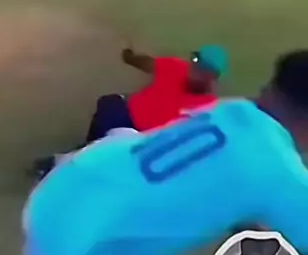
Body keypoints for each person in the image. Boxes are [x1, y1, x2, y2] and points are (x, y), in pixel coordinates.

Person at [23, 50, 308, 255]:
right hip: (82, 237)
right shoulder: (278, 171)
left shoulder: (231, 110)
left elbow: (227, 184)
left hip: (69, 185)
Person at [33, 43, 228, 180]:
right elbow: (148, 63)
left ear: (212, 77)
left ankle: (61, 165)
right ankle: (85, 150)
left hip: (140, 139)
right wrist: (130, 57)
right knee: (108, 104)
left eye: (201, 68)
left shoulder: (207, 110)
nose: (194, 68)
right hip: (125, 112)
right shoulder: (177, 67)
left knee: (105, 155)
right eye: (195, 61)